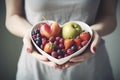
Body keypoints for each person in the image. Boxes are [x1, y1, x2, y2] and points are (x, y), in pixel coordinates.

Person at [5, 0, 117, 80]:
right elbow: (12, 16)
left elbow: (109, 16)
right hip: (36, 66)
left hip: (92, 66)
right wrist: (29, 33)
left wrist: (92, 32)